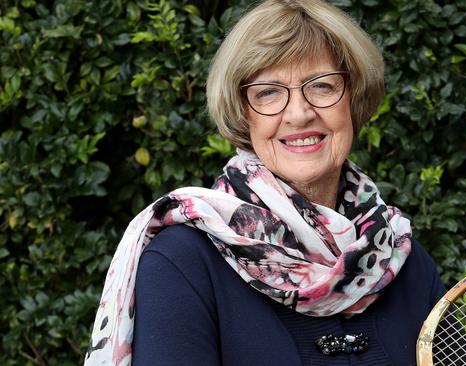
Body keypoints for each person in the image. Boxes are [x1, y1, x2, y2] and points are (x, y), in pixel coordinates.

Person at [85, 0, 446, 365]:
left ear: (353, 98)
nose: (300, 113)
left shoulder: (406, 262)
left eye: (321, 86)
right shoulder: (183, 264)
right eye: (268, 92)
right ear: (243, 114)